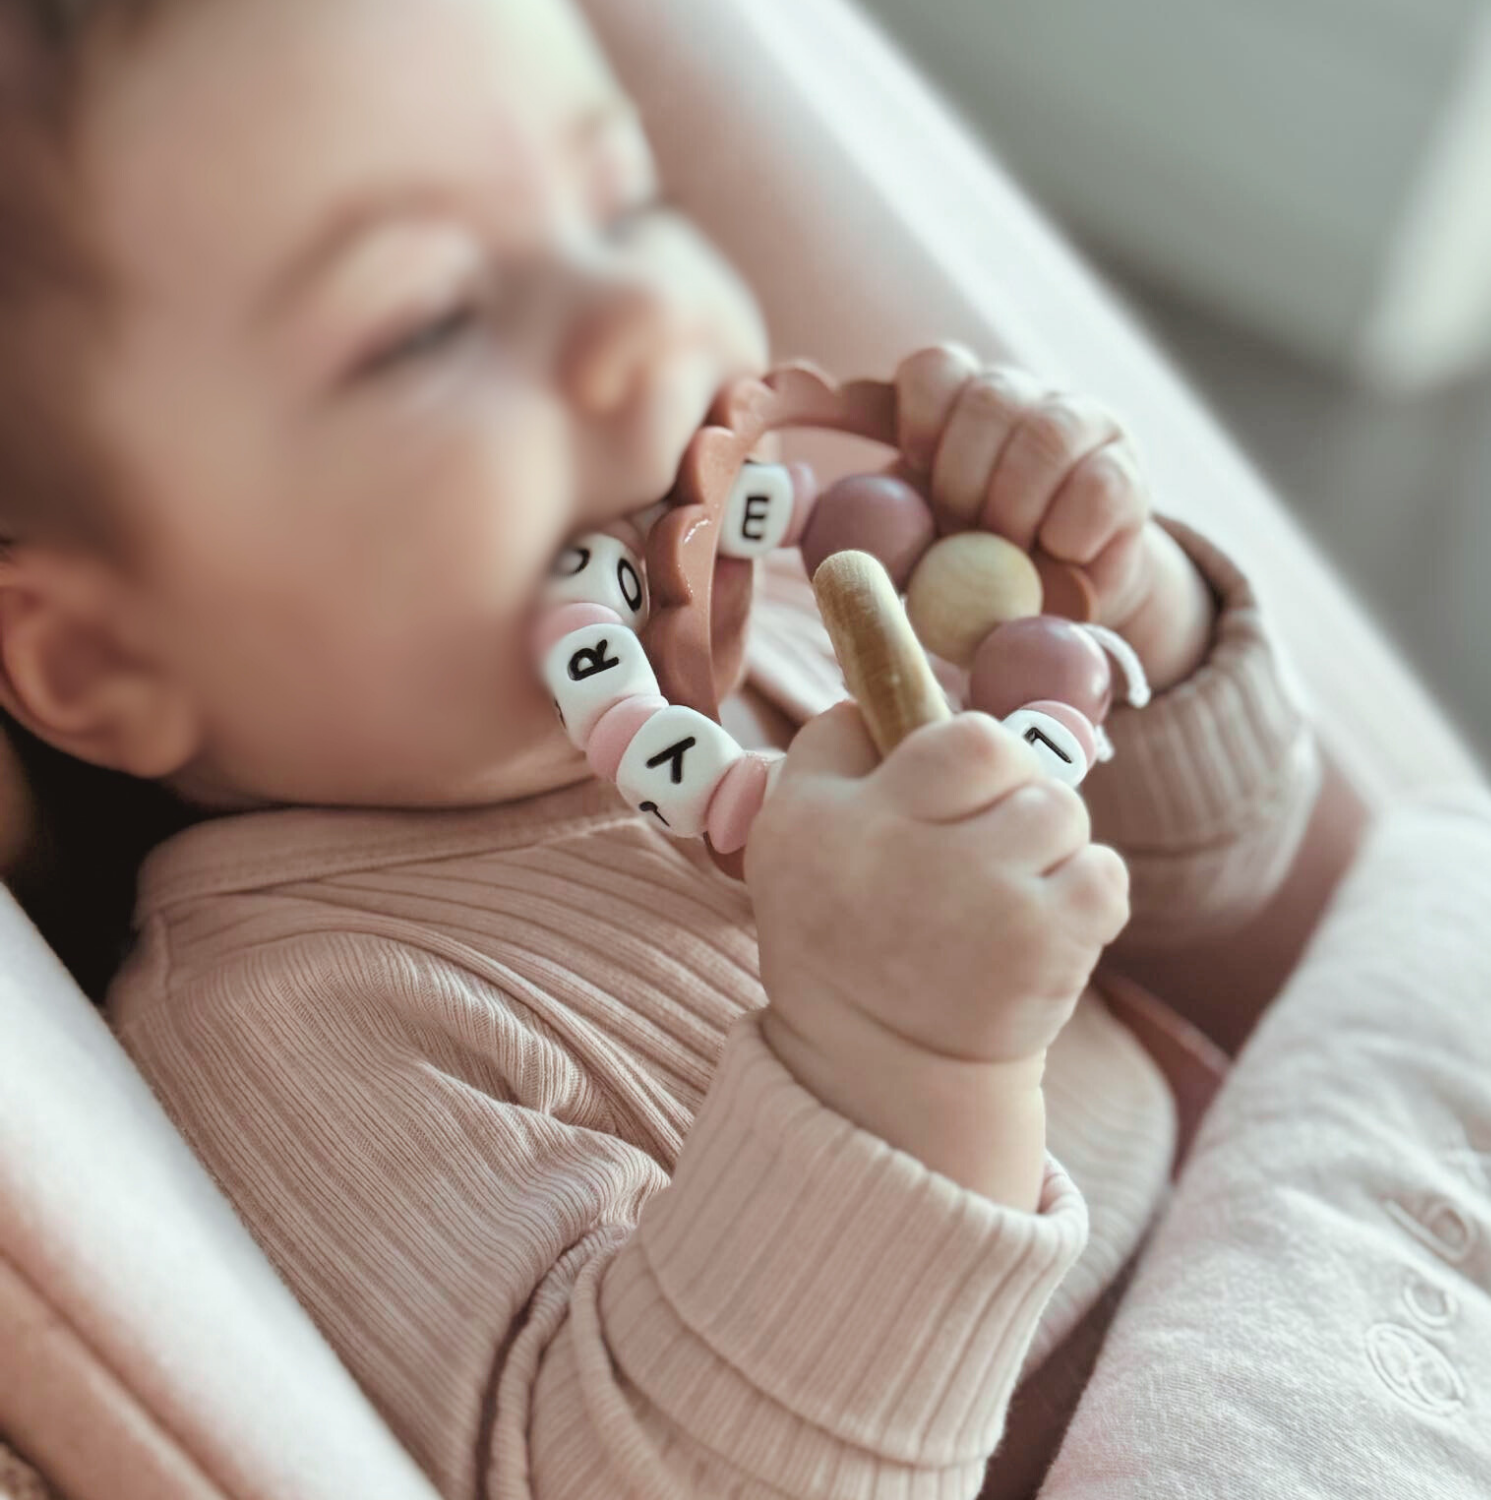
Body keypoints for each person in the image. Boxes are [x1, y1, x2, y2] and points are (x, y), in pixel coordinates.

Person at [0, 1, 1320, 1495]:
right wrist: (901, 1056)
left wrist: (1119, 598)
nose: (641, 323)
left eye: (623, 201)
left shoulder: (813, 608)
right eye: (429, 321)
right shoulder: (297, 1024)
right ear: (105, 655)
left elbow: (1233, 885)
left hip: (1304, 1246)